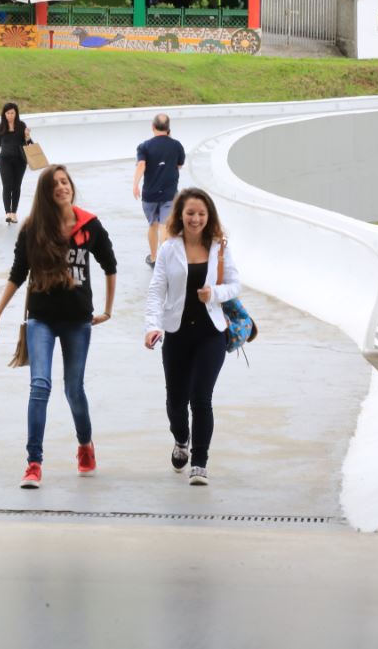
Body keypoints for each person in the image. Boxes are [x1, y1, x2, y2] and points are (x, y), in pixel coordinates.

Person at [0, 165, 117, 489]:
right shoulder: (33, 229)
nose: (62, 187)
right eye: (55, 184)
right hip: (41, 318)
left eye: (65, 181)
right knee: (40, 386)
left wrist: (108, 310)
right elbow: (17, 275)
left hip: (77, 320)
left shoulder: (90, 224)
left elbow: (109, 265)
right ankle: (33, 463)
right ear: (46, 192)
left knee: (74, 388)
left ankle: (85, 446)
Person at [143, 187, 241, 486]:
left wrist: (215, 293)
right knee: (175, 401)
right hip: (177, 332)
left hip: (211, 333)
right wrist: (152, 325)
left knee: (201, 399)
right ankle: (181, 439)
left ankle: (199, 461)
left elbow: (235, 284)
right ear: (180, 216)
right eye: (190, 213)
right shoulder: (169, 248)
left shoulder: (219, 247)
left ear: (208, 215)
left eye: (201, 213)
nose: (195, 218)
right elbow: (157, 289)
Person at [133, 114, 185, 266]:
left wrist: (135, 185)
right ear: (169, 128)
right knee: (165, 226)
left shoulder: (144, 146)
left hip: (150, 194)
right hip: (169, 193)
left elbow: (141, 165)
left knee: (153, 225)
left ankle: (154, 258)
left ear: (152, 127)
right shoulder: (177, 145)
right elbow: (179, 165)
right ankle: (164, 260)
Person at [0, 102, 31, 224]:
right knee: (7, 186)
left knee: (16, 187)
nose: (10, 115)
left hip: (20, 161)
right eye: (8, 113)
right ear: (4, 114)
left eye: (12, 113)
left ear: (16, 113)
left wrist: (27, 136)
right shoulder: (0, 127)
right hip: (5, 160)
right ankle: (7, 213)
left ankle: (14, 213)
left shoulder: (22, 126)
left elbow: (29, 144)